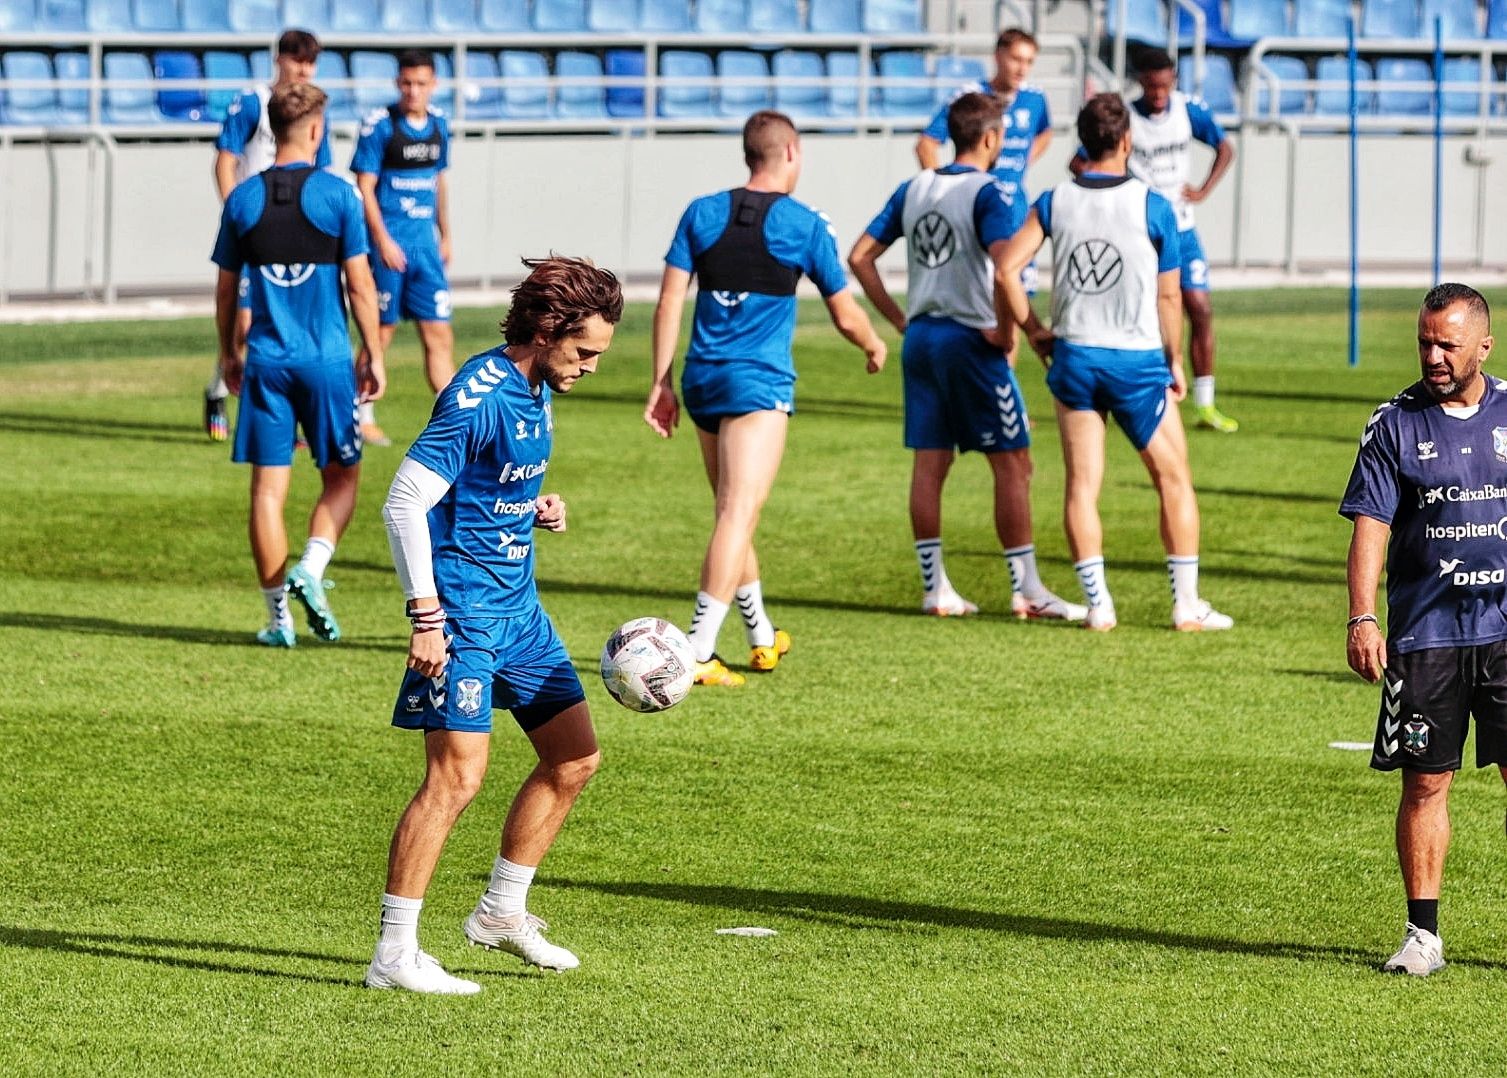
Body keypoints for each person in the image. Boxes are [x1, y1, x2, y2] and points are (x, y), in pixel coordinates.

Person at [366, 256, 623, 996]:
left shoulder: (536, 385)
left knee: (573, 760)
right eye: (584, 352)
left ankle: (501, 913)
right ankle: (394, 954)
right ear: (546, 331)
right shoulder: (476, 397)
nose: (591, 367)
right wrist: (425, 616)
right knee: (455, 779)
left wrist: (537, 506)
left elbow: (488, 485)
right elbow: (404, 501)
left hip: (521, 613)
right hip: (465, 619)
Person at [645, 110, 887, 688]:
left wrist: (661, 381)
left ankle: (760, 636)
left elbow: (669, 302)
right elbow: (845, 312)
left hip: (703, 380)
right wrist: (874, 342)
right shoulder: (804, 224)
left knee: (734, 510)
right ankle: (699, 650)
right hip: (757, 385)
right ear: (791, 153)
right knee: (737, 512)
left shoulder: (701, 211)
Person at [998, 93, 1232, 633]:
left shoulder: (1054, 201)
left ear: (1084, 141)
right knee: (1173, 479)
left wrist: (1034, 330)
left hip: (1075, 357)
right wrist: (1174, 359)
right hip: (1135, 361)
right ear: (1127, 140)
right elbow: (1170, 298)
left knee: (1083, 485)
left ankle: (1099, 604)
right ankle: (1186, 604)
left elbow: (1008, 269)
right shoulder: (1153, 205)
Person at [848, 92, 1084, 621]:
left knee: (930, 464)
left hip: (924, 339)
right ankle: (1026, 591)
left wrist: (901, 320)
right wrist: (1013, 331)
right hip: (971, 342)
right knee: (1013, 462)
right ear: (992, 138)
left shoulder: (915, 187)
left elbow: (860, 257)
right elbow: (1006, 270)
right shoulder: (993, 193)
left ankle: (936, 589)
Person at [1340, 283, 1500, 977]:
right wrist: (1362, 614)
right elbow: (1370, 525)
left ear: (1482, 347)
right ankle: (1421, 937)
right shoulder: (1392, 424)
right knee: (1426, 784)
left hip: (1504, 632)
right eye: (1424, 343)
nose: (1433, 356)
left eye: (1447, 345)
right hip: (1425, 634)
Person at [210, 83, 384, 647]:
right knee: (343, 475)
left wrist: (227, 353)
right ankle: (311, 565)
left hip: (266, 359)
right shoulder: (339, 197)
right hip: (327, 361)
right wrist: (375, 353)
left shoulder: (241, 200)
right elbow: (359, 284)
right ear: (315, 131)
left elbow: (224, 289)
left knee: (266, 492)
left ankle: (276, 619)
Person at [1073, 49, 1238, 433]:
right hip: (1138, 228)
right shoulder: (1125, 117)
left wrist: (1202, 190)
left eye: (1165, 85)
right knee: (1144, 311)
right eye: (1152, 86)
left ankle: (1205, 404)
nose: (1159, 93)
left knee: (1199, 306)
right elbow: (1081, 161)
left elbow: (1225, 147)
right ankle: (1142, 394)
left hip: (1181, 227)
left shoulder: (1188, 110)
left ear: (1174, 80)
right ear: (1141, 82)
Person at [205, 28, 333, 442]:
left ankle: (252, 402)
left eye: (309, 62)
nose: (303, 69)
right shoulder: (253, 102)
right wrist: (236, 217)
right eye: (296, 60)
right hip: (255, 226)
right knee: (246, 322)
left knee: (284, 319)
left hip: (296, 227)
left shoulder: (314, 110)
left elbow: (322, 169)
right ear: (279, 59)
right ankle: (234, 395)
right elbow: (225, 162)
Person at [350, 49, 455, 449]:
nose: (414, 91)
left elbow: (439, 181)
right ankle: (362, 415)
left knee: (439, 335)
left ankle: (454, 421)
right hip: (389, 248)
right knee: (381, 333)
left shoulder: (440, 125)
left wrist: (446, 233)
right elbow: (365, 187)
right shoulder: (380, 125)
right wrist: (382, 241)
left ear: (434, 85)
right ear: (398, 83)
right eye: (407, 83)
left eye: (421, 83)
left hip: (426, 250)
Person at [917, 28, 1051, 297]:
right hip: (976, 206)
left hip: (1015, 209)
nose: (1022, 68)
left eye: (1028, 61)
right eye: (1016, 59)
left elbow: (1045, 133)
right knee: (977, 293)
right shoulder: (972, 99)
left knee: (1017, 292)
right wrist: (944, 188)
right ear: (998, 56)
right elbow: (926, 144)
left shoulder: (1035, 99)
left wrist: (1022, 162)